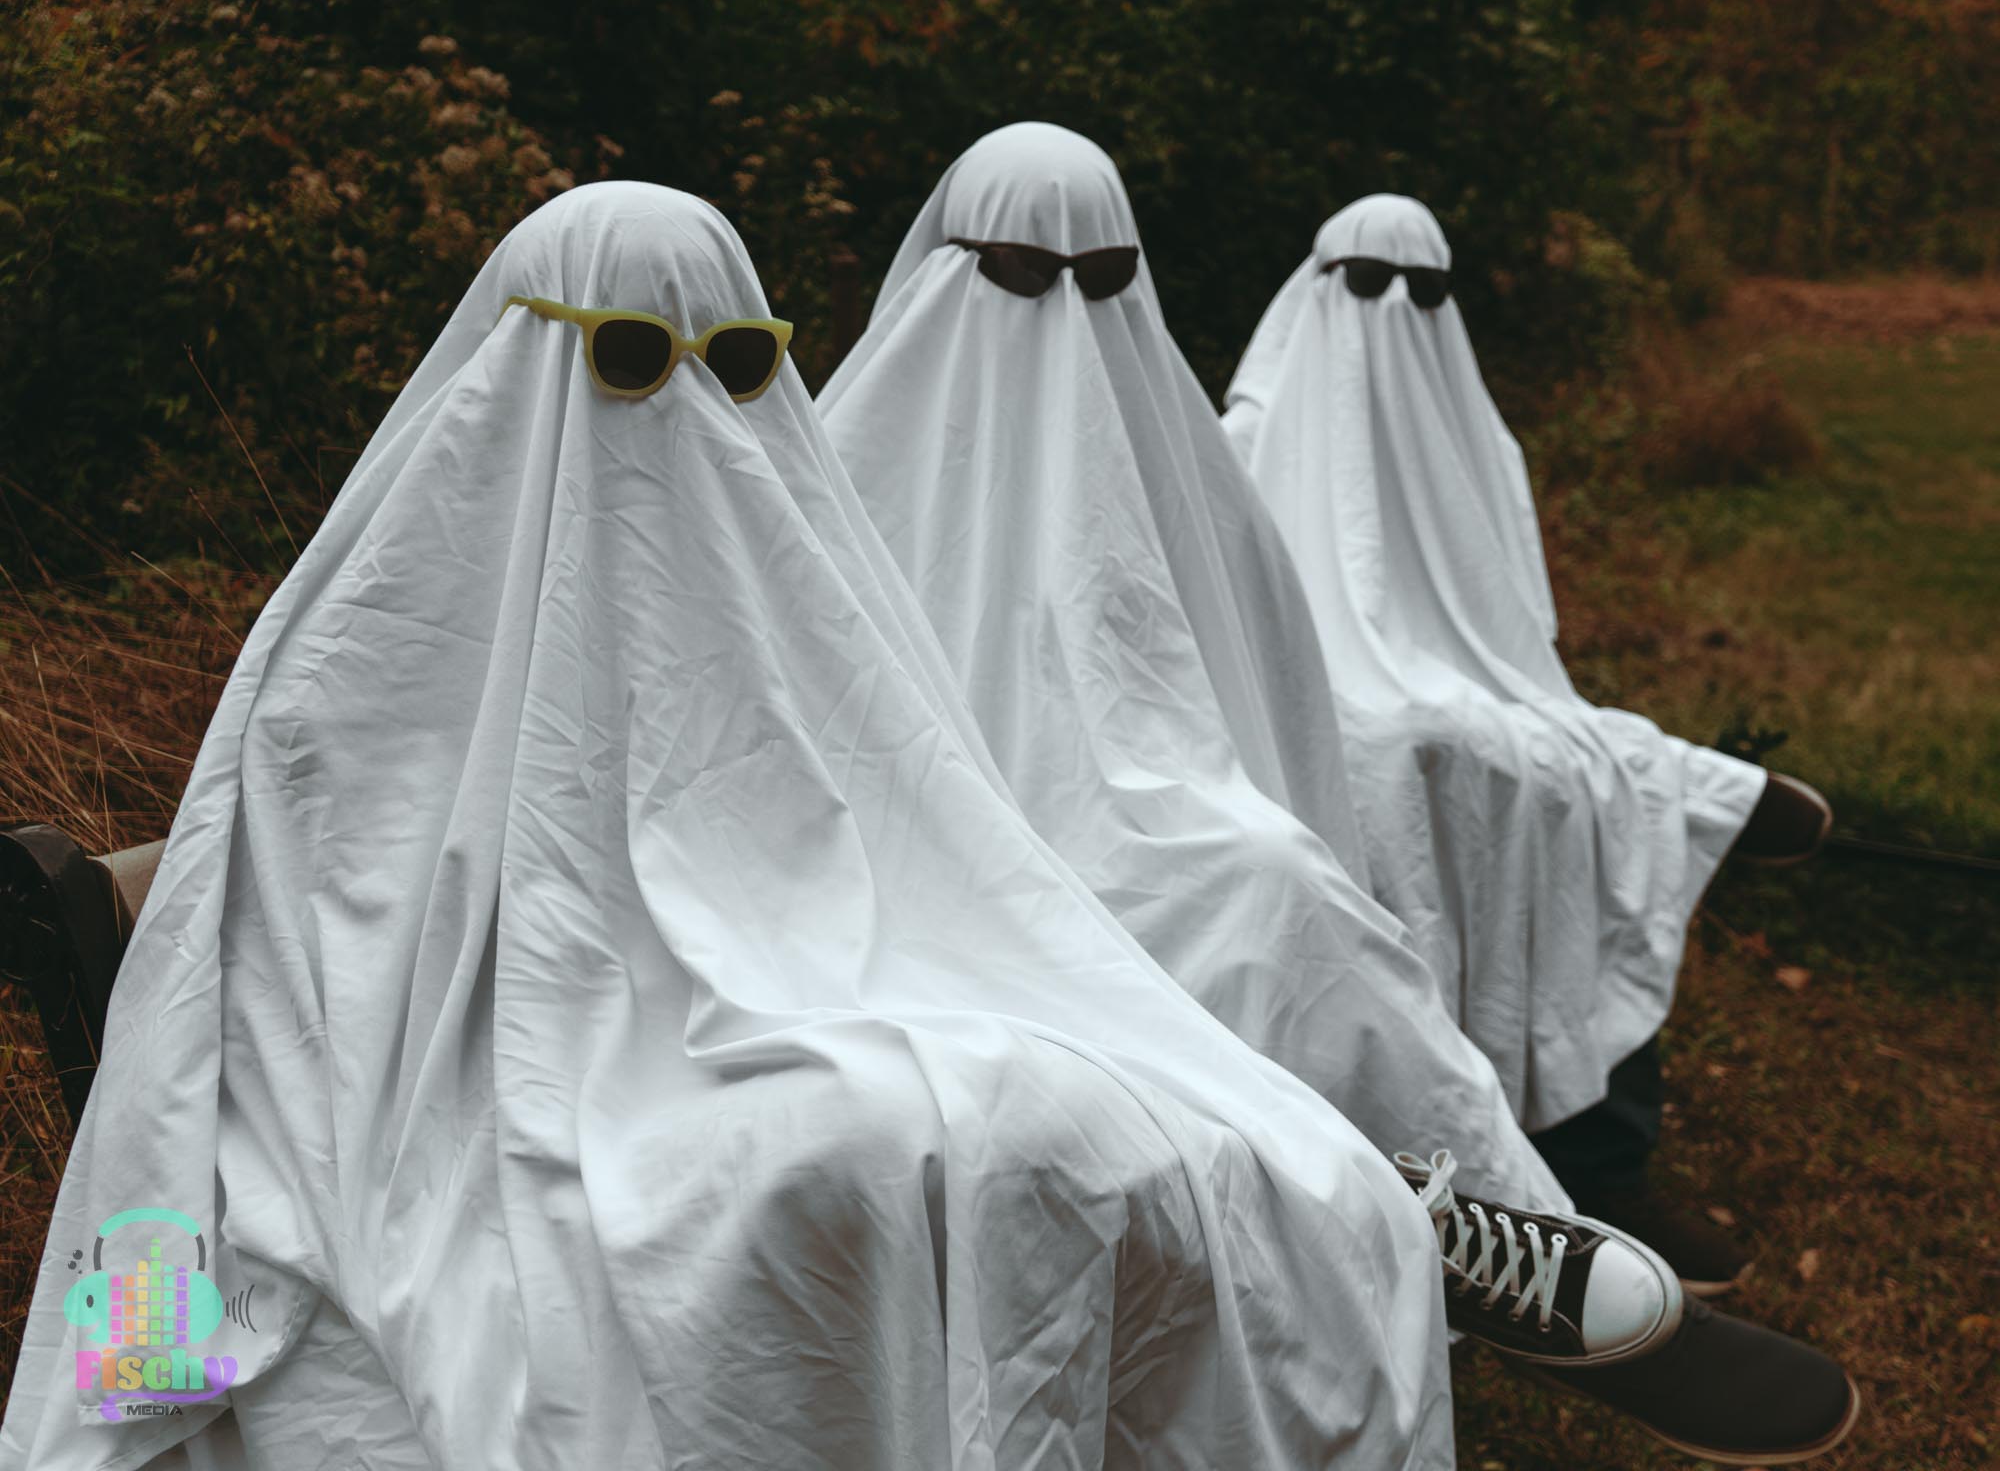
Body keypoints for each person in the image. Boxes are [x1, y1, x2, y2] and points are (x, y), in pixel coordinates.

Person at [3, 182, 1458, 1470]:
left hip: (788, 1041)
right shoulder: (361, 653)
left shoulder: (798, 612)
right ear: (523, 349)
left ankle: (1397, 1215)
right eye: (629, 359)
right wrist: (154, 1339)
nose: (691, 399)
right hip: (479, 1131)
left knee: (1074, 1122)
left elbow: (922, 850)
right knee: (855, 1160)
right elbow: (215, 1027)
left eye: (744, 360)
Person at [819, 126, 1858, 1465]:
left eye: (1097, 269)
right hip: (917, 864)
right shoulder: (840, 465)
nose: (1058, 305)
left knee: (1281, 889)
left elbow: (1262, 695)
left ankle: (1499, 1218)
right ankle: (1416, 1212)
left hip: (1151, 824)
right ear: (953, 266)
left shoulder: (1180, 456)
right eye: (1018, 271)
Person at [1223, 194, 1833, 1282]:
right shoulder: (1251, 431)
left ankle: (1595, 1159)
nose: (1392, 314)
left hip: (1476, 699)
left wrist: (1482, 713)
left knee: (1588, 786)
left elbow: (1512, 628)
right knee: (1395, 772)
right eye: (1367, 284)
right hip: (1305, 712)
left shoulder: (1473, 440)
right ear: (1320, 289)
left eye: (1421, 291)